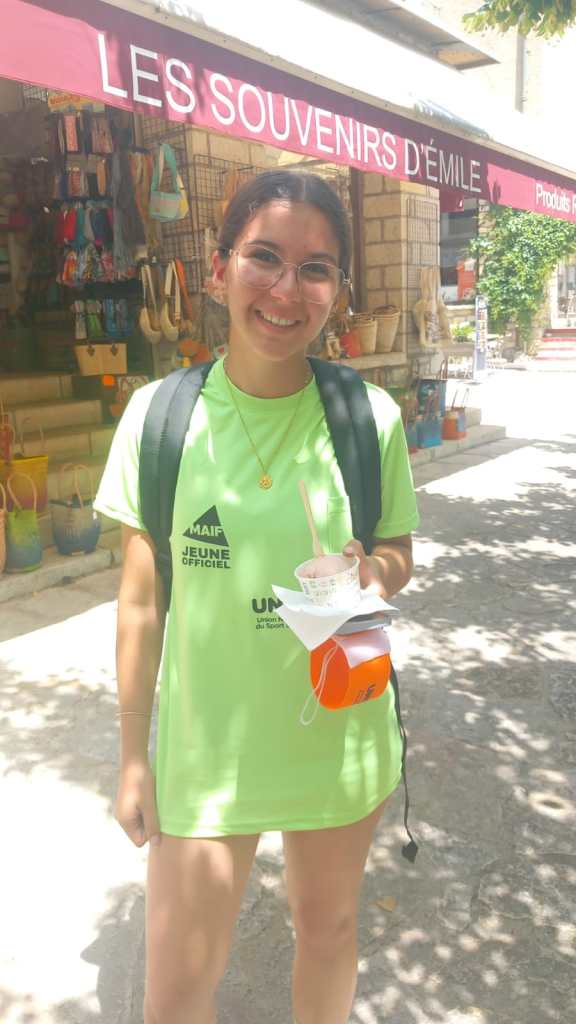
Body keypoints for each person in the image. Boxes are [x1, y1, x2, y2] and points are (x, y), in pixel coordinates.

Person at [94, 169, 419, 1024]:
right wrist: (133, 756)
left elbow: (398, 550)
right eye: (264, 257)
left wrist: (372, 575)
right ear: (219, 269)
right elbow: (140, 603)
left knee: (327, 931)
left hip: (339, 732)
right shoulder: (158, 418)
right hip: (207, 752)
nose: (285, 289)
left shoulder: (369, 417)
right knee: (175, 992)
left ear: (338, 290)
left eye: (315, 269)